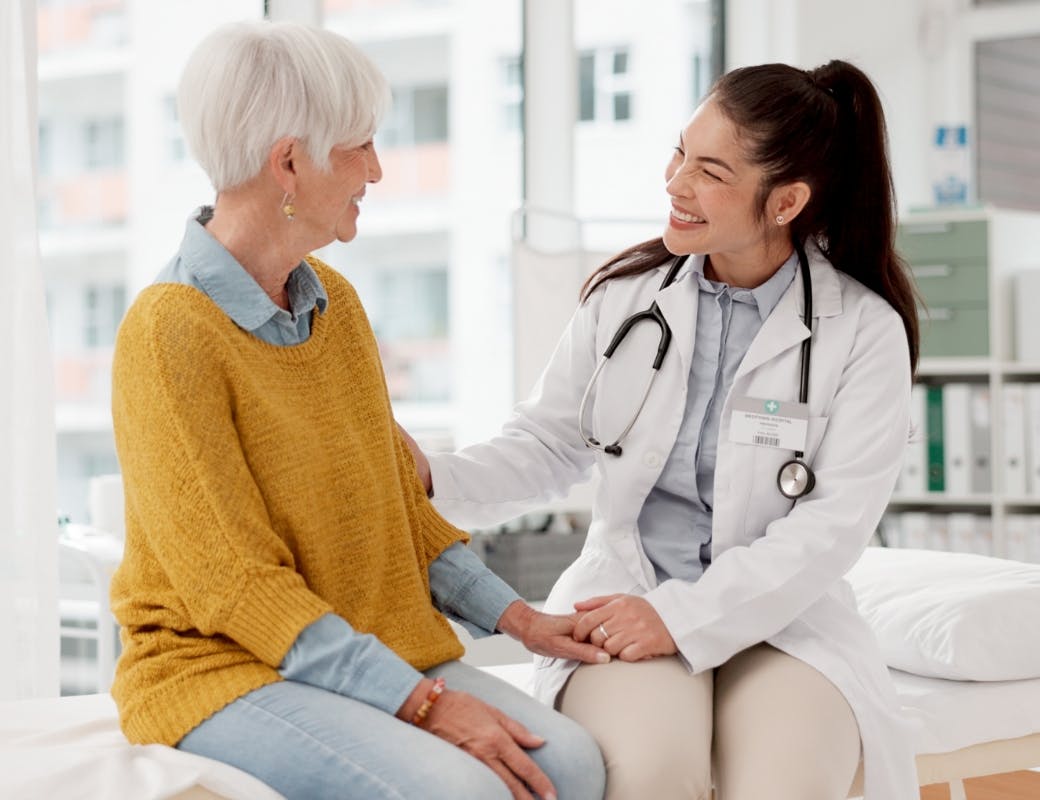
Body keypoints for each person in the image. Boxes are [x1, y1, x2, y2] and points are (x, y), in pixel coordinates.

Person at [108, 20, 606, 800]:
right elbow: (238, 587)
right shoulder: (169, 332)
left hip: (359, 642)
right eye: (360, 146)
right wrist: (426, 703)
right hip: (223, 664)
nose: (376, 169)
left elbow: (398, 512)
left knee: (574, 762)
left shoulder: (333, 305)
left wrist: (521, 619)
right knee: (461, 791)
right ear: (289, 162)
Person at [409, 60, 921, 800]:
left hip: (781, 615)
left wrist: (676, 617)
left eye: (710, 170)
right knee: (651, 773)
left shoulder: (862, 332)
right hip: (625, 596)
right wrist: (436, 477)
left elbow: (831, 528)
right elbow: (550, 443)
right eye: (680, 152)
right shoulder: (624, 300)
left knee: (787, 784)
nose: (675, 182)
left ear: (787, 201)